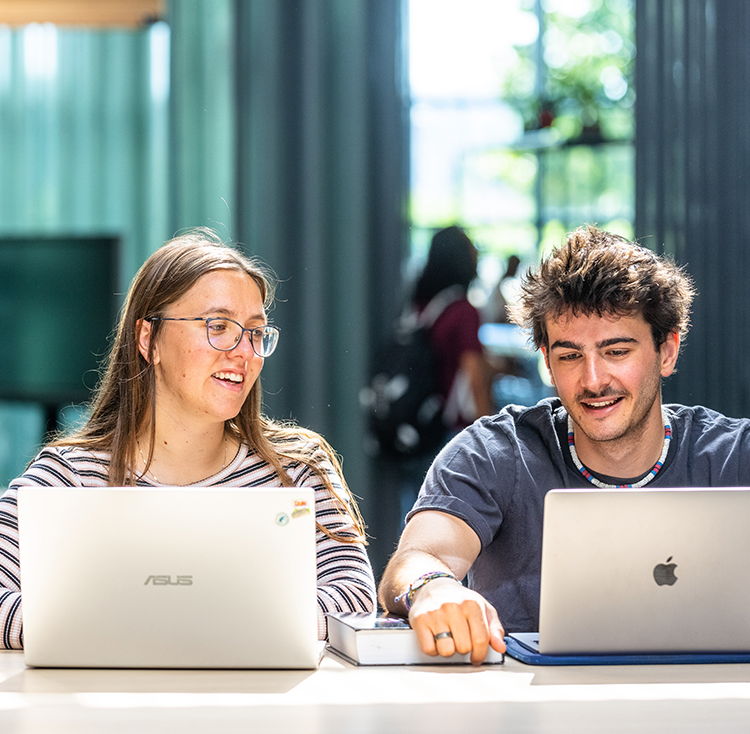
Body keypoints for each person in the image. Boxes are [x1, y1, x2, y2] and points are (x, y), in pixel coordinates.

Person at [378, 224, 750, 665]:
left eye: (616, 351)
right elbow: (418, 556)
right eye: (570, 355)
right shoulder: (495, 451)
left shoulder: (734, 454)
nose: (593, 380)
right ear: (548, 362)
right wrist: (432, 587)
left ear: (666, 351)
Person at [0, 228, 376, 649]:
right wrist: (202, 627)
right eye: (218, 326)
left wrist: (139, 626)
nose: (244, 352)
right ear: (149, 339)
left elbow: (356, 600)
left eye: (255, 332)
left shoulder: (298, 469)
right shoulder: (67, 475)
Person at [413, 225, 494, 431]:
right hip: (451, 425)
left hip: (420, 418)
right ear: (459, 257)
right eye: (471, 247)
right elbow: (473, 374)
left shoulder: (422, 306)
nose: (476, 253)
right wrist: (490, 431)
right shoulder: (464, 311)